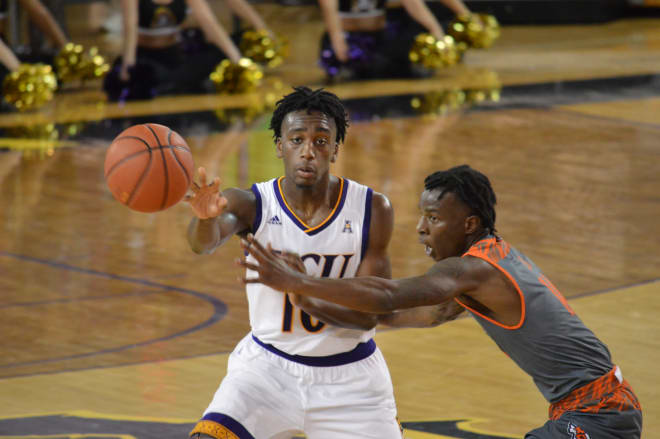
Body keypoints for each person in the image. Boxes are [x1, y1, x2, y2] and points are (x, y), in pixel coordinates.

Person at [240, 164, 643, 439]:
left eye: (433, 219)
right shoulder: (489, 263)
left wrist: (303, 280)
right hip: (593, 408)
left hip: (599, 412)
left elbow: (388, 293)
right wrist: (304, 301)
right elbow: (394, 314)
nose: (420, 230)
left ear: (468, 224)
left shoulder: (473, 271)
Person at [185, 86, 402, 439]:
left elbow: (371, 313)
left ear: (335, 149)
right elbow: (202, 245)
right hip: (267, 370)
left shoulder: (372, 208)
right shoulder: (250, 203)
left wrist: (302, 292)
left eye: (320, 141)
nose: (308, 152)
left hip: (351, 379)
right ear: (279, 145)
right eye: (297, 139)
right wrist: (205, 219)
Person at [103, 0, 272, 100]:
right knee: (146, 80)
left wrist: (238, 61)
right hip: (147, 59)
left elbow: (210, 23)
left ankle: (174, 83)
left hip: (175, 56)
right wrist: (129, 66)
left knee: (222, 51)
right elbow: (130, 28)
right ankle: (170, 83)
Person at [318, 0, 474, 80]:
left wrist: (436, 30)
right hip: (349, 39)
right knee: (357, 71)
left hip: (378, 38)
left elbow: (413, 4)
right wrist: (337, 39)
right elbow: (328, 6)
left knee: (400, 65)